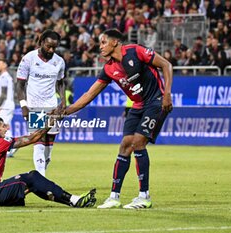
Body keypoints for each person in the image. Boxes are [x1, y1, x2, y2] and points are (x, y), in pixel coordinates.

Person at [57, 29, 173, 209]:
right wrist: (63, 112)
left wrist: (167, 95)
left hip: (155, 102)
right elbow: (89, 94)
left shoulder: (136, 51)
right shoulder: (109, 68)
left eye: (103, 42)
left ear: (115, 42)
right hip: (137, 106)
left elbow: (166, 65)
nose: (100, 47)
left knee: (138, 142)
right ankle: (114, 197)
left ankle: (144, 196)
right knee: (125, 145)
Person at [0, 116, 96, 207]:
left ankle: (71, 201)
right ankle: (74, 200)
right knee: (32, 177)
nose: (6, 129)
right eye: (3, 127)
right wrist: (50, 123)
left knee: (26, 190)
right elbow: (32, 138)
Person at [16, 29, 66, 177]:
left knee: (48, 148)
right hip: (34, 105)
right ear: (41, 42)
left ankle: (41, 172)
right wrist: (23, 105)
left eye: (54, 47)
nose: (51, 50)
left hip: (52, 106)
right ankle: (41, 178)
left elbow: (61, 83)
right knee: (38, 140)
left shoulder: (59, 61)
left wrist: (62, 102)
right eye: (48, 46)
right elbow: (19, 84)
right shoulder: (28, 59)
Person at [0, 58, 16, 157]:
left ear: (4, 65)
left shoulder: (3, 77)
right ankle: (11, 148)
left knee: (2, 127)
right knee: (6, 126)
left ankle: (12, 146)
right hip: (9, 105)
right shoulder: (8, 77)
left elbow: (3, 94)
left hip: (5, 106)